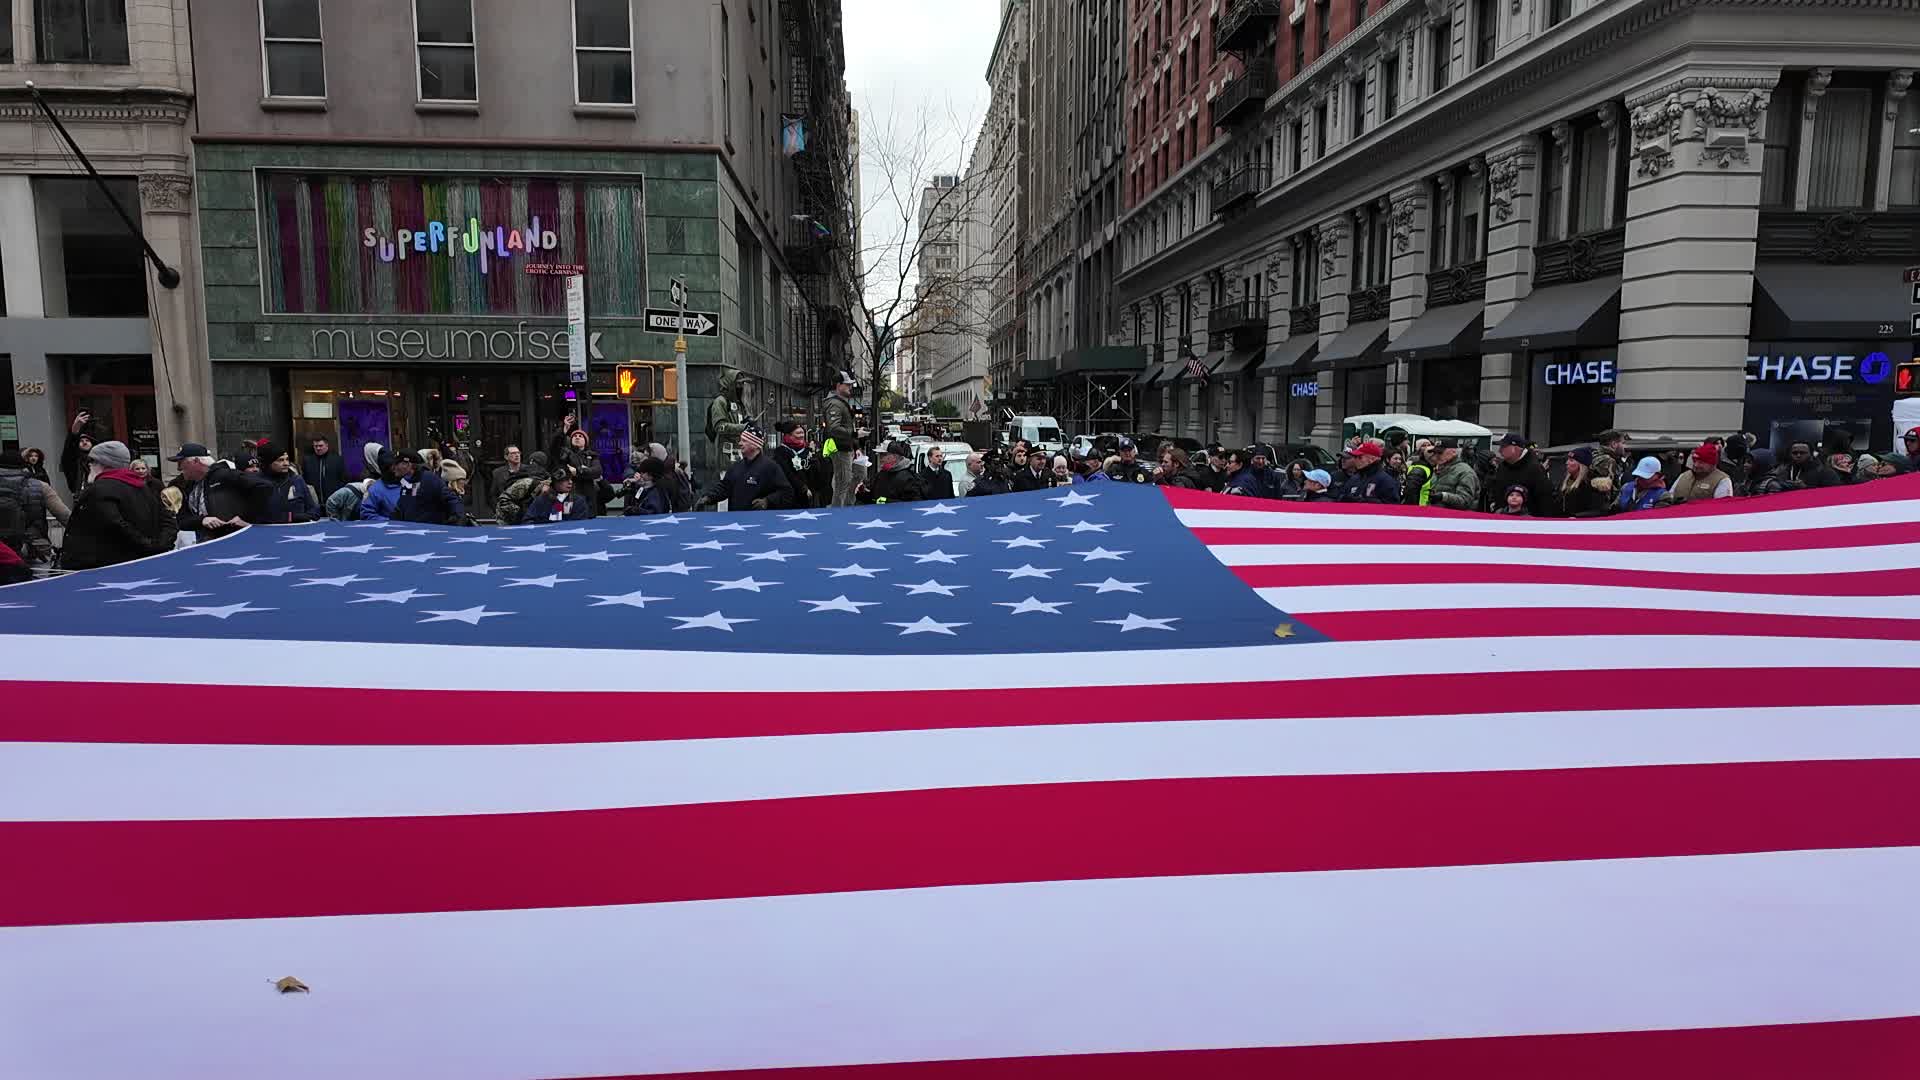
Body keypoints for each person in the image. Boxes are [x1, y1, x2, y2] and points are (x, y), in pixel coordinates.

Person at [60, 440, 179, 570]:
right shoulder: (142, 486)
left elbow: (115, 525)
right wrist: (159, 546)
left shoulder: (99, 489)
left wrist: (150, 546)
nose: (89, 465)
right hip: (139, 563)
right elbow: (168, 520)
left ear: (104, 464)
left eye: (92, 461)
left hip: (107, 566)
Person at [697, 424, 796, 511]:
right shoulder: (736, 466)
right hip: (737, 521)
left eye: (744, 441)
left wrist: (767, 501)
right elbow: (724, 488)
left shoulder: (770, 467)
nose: (740, 444)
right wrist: (708, 497)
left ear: (755, 444)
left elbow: (787, 492)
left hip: (761, 522)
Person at [0, 448, 50, 566]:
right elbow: (64, 515)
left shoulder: (40, 476)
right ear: (22, 464)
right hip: (28, 547)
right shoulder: (39, 485)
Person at [548, 418, 606, 514]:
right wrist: (564, 428)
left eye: (580, 436)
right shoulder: (564, 453)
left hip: (588, 496)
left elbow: (597, 471)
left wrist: (578, 471)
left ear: (585, 442)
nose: (577, 437)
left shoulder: (592, 455)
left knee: (588, 522)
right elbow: (554, 446)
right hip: (566, 495)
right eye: (574, 436)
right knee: (565, 520)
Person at [1484, 433, 1551, 515]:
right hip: (1503, 519)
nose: (1499, 450)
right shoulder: (1502, 466)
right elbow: (1497, 490)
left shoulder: (1535, 469)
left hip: (1527, 522)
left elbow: (1544, 499)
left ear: (1515, 448)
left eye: (1503, 447)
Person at [822, 371, 861, 507]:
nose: (850, 387)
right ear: (838, 385)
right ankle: (838, 513)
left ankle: (846, 508)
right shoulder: (834, 403)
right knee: (842, 483)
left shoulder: (839, 402)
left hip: (845, 446)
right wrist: (854, 433)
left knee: (850, 478)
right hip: (840, 448)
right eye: (847, 384)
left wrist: (855, 444)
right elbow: (834, 428)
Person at [395, 450, 467, 525]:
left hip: (430, 533)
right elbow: (404, 507)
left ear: (408, 464)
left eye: (397, 464)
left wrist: (456, 523)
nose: (394, 467)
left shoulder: (430, 479)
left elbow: (452, 500)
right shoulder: (409, 481)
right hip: (411, 533)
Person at [256, 441, 318, 523]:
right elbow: (254, 515)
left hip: (297, 531)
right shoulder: (257, 482)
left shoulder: (297, 480)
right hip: (269, 532)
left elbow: (314, 511)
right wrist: (288, 517)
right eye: (280, 460)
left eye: (287, 459)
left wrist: (298, 517)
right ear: (268, 463)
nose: (286, 463)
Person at [1334, 439, 1402, 504]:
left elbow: (1393, 507)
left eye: (1360, 457)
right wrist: (1344, 498)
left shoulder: (1385, 481)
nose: (1356, 460)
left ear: (1372, 459)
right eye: (1355, 457)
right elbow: (1340, 496)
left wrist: (1368, 502)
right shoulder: (1355, 478)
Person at [856, 440, 924, 504]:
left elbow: (913, 505)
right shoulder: (881, 474)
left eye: (883, 455)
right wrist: (861, 493)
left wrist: (886, 501)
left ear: (894, 457)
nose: (880, 458)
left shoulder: (908, 478)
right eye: (879, 455)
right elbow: (873, 499)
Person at [770, 421, 820, 508]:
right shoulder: (781, 452)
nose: (801, 436)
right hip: (791, 497)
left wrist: (813, 453)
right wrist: (803, 488)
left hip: (809, 497)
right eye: (798, 433)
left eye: (802, 433)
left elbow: (816, 472)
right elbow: (788, 473)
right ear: (788, 435)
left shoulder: (807, 450)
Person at [494, 450, 551, 525]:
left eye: (518, 453)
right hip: (512, 521)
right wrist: (522, 513)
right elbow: (503, 500)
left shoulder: (547, 479)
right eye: (513, 453)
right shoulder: (524, 479)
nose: (517, 455)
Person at [1425, 438, 1481, 512]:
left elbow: (1465, 501)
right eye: (1435, 453)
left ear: (1453, 452)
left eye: (1440, 453)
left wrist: (1443, 496)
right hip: (1439, 515)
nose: (1436, 456)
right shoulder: (1439, 469)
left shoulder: (1465, 471)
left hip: (1457, 519)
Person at [522, 466, 594, 523]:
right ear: (555, 482)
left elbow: (582, 523)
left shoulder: (578, 501)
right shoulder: (542, 500)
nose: (570, 482)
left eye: (571, 479)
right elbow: (527, 521)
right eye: (565, 479)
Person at [1668, 442, 1733, 503]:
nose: (1696, 465)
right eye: (1695, 461)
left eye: (1701, 462)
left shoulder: (1722, 480)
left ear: (1712, 464)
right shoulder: (1684, 475)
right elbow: (1670, 496)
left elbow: (1723, 506)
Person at [1556, 447, 1610, 517]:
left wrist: (1576, 516)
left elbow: (1599, 510)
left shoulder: (1593, 484)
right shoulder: (1565, 481)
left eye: (1571, 460)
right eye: (1567, 460)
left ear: (1581, 465)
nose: (1567, 463)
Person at [358, 447, 408, 523]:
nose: (401, 467)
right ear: (389, 469)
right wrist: (391, 522)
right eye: (396, 466)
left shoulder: (408, 482)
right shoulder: (375, 490)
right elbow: (367, 515)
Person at [59, 411, 98, 496]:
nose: (84, 442)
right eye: (81, 441)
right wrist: (74, 431)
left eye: (87, 440)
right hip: (81, 497)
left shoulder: (99, 460)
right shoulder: (74, 461)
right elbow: (69, 448)